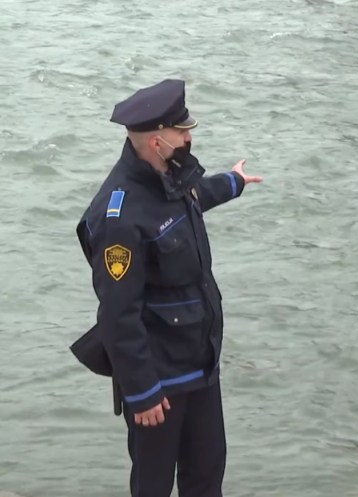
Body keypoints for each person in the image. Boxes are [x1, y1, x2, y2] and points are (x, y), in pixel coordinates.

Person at [69, 78, 262, 497]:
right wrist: (143, 392)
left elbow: (194, 197)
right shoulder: (119, 217)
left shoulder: (170, 177)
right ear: (157, 142)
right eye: (182, 131)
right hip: (159, 382)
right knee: (153, 486)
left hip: (200, 363)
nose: (189, 137)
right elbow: (118, 313)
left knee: (206, 476)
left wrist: (234, 182)